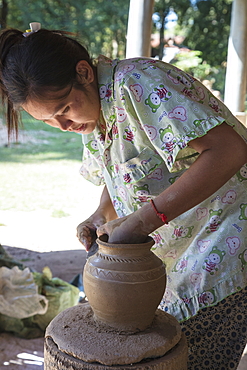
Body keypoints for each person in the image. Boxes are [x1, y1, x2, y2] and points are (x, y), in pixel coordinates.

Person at [0, 25, 247, 370]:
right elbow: (124, 171)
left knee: (187, 357)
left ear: (83, 72)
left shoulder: (138, 84)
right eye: (50, 121)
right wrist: (101, 214)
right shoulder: (95, 113)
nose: (65, 124)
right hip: (180, 256)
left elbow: (230, 150)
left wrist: (145, 219)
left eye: (65, 108)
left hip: (228, 242)